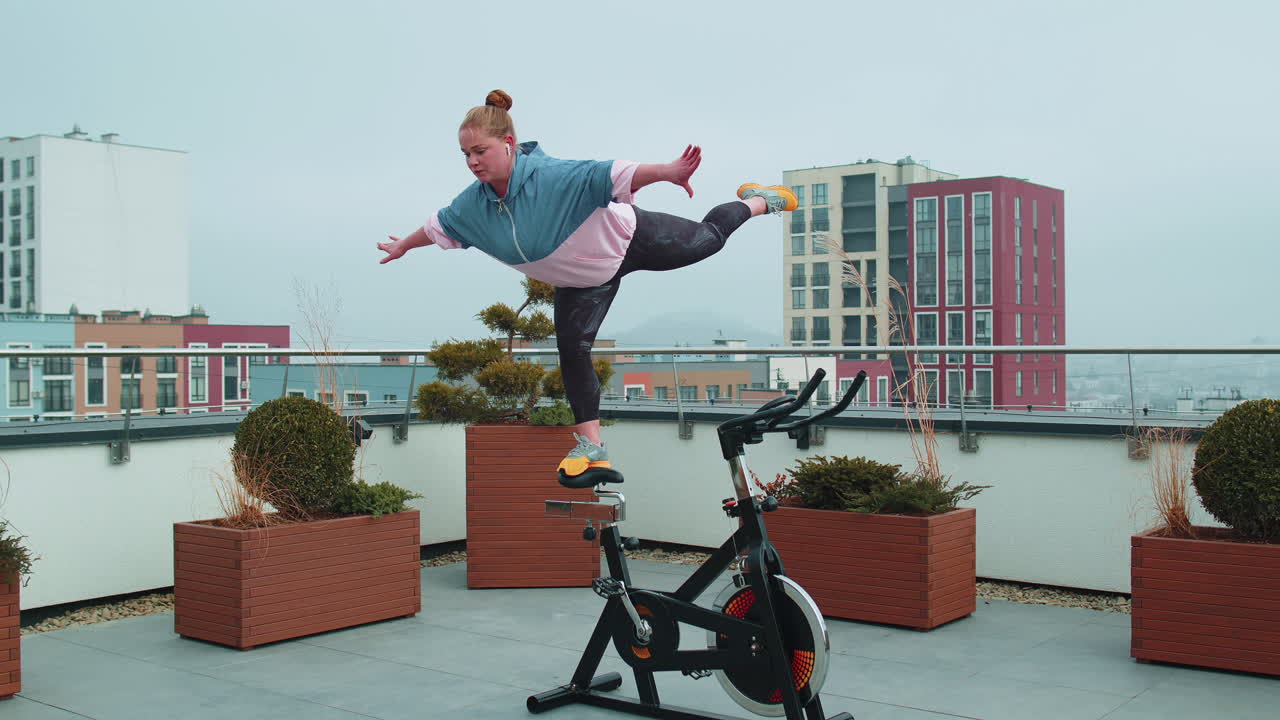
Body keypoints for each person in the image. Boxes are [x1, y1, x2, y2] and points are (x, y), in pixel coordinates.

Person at [378, 89, 796, 481]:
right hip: (582, 281)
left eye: (480, 151)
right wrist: (404, 246)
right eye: (466, 154)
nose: (472, 161)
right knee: (572, 350)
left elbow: (609, 173)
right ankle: (592, 447)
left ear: (508, 143)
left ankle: (758, 200)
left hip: (631, 239)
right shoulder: (474, 204)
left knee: (709, 239)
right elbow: (439, 225)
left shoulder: (549, 176)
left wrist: (668, 172)